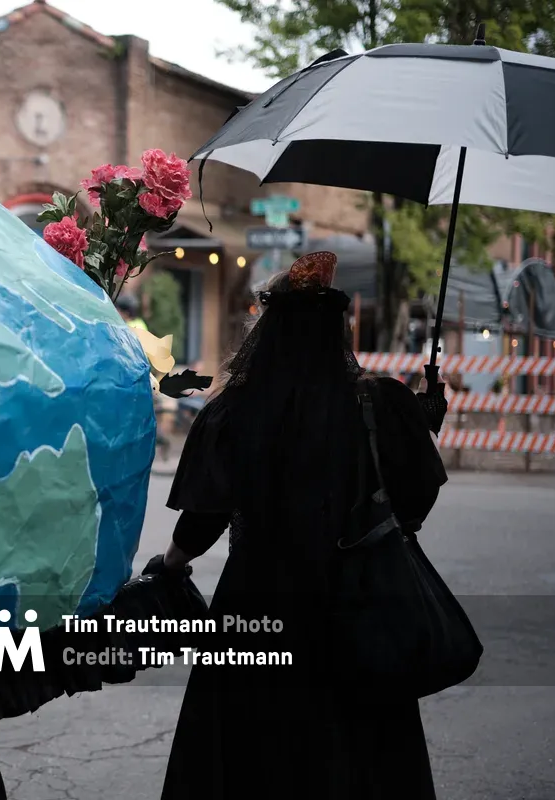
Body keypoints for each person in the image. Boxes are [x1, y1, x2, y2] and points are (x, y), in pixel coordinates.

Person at [150, 252, 447, 799]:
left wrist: (170, 565)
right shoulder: (380, 403)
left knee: (249, 759)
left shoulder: (237, 409)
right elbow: (411, 509)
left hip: (257, 604)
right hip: (356, 606)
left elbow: (204, 517)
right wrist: (422, 424)